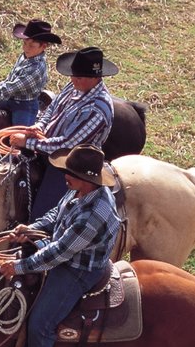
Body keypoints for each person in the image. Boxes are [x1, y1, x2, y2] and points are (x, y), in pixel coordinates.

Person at [0, 145, 121, 347]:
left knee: (41, 322)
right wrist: (31, 228)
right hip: (63, 253)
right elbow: (57, 215)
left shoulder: (96, 214)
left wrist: (20, 267)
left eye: (71, 173)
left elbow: (59, 254)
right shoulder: (78, 191)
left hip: (77, 270)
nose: (65, 176)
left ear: (87, 180)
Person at [9, 46, 118, 219]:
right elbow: (52, 108)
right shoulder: (74, 85)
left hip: (71, 164)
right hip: (47, 146)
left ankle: (37, 235)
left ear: (96, 78)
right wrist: (40, 126)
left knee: (42, 212)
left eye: (79, 77)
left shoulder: (98, 109)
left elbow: (66, 145)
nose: (73, 80)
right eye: (72, 75)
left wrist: (27, 142)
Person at [0, 19, 61, 126]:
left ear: (43, 46)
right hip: (10, 99)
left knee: (19, 135)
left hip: (25, 105)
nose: (26, 48)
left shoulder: (36, 68)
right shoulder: (24, 56)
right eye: (25, 43)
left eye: (31, 45)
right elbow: (9, 80)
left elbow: (12, 87)